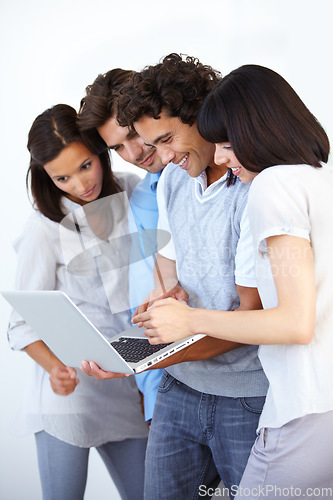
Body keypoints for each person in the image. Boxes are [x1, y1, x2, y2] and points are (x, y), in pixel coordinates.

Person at [134, 64, 333, 497]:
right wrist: (173, 306)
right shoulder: (315, 176)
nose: (223, 157)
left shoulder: (271, 186)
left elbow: (292, 323)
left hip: (296, 406)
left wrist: (188, 323)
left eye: (227, 142)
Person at [116, 54, 268, 499]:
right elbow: (170, 269)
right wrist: (164, 298)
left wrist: (151, 357)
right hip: (180, 390)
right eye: (150, 145)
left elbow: (250, 316)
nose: (161, 158)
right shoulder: (172, 182)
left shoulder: (254, 187)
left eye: (166, 139)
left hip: (247, 395)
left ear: (200, 114)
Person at [7, 104, 148, 500]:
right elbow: (20, 323)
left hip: (125, 386)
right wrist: (55, 370)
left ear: (99, 151)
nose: (80, 184)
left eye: (86, 166)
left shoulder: (133, 193)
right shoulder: (43, 228)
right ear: (47, 177)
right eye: (62, 177)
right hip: (68, 392)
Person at [77, 69, 166, 421]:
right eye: (117, 147)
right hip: (155, 386)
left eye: (133, 135)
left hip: (211, 375)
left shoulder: (203, 179)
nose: (132, 152)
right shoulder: (141, 194)